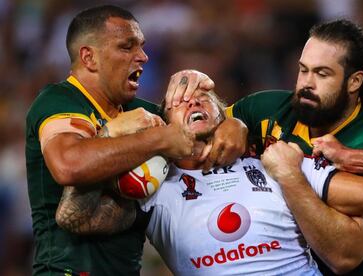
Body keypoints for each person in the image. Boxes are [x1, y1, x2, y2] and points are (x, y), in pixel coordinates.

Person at [55, 88, 363, 275]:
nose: (192, 100)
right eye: (178, 102)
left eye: (203, 99)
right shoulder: (154, 188)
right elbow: (74, 217)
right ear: (163, 124)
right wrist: (108, 136)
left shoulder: (276, 163)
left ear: (223, 114)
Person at [25, 5, 247, 275]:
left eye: (141, 47)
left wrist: (236, 124)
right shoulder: (59, 100)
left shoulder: (143, 112)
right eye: (126, 47)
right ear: (89, 58)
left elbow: (206, 122)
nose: (142, 56)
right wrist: (138, 135)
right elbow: (69, 166)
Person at [219, 19, 363, 275]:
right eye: (303, 70)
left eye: (322, 74)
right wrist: (227, 122)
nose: (306, 84)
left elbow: (344, 255)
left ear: (354, 82)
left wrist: (290, 175)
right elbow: (206, 127)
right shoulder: (267, 109)